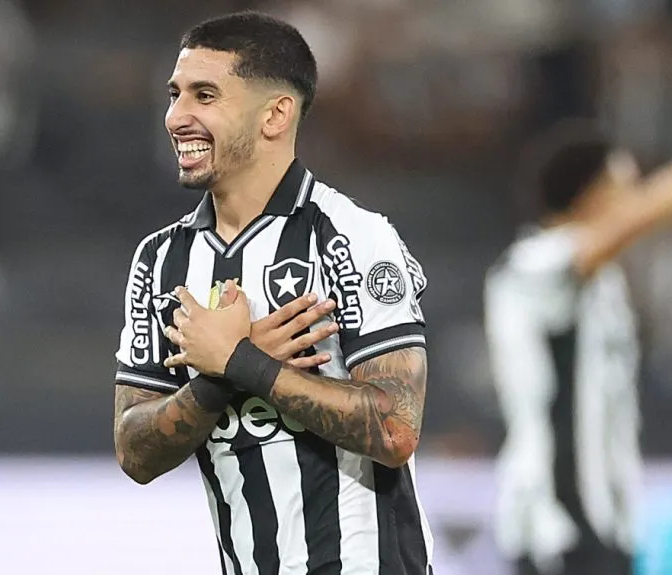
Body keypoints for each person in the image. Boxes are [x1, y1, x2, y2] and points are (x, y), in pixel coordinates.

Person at [113, 11, 433, 574]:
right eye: (175, 94)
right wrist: (216, 378)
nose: (176, 117)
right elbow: (134, 451)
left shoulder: (350, 236)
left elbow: (395, 428)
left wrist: (243, 361)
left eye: (204, 95)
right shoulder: (162, 260)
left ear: (275, 115)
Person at [484, 120, 672, 575]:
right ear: (590, 195)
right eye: (625, 186)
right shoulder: (535, 264)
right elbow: (641, 218)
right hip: (560, 526)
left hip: (605, 526)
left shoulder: (601, 283)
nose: (636, 199)